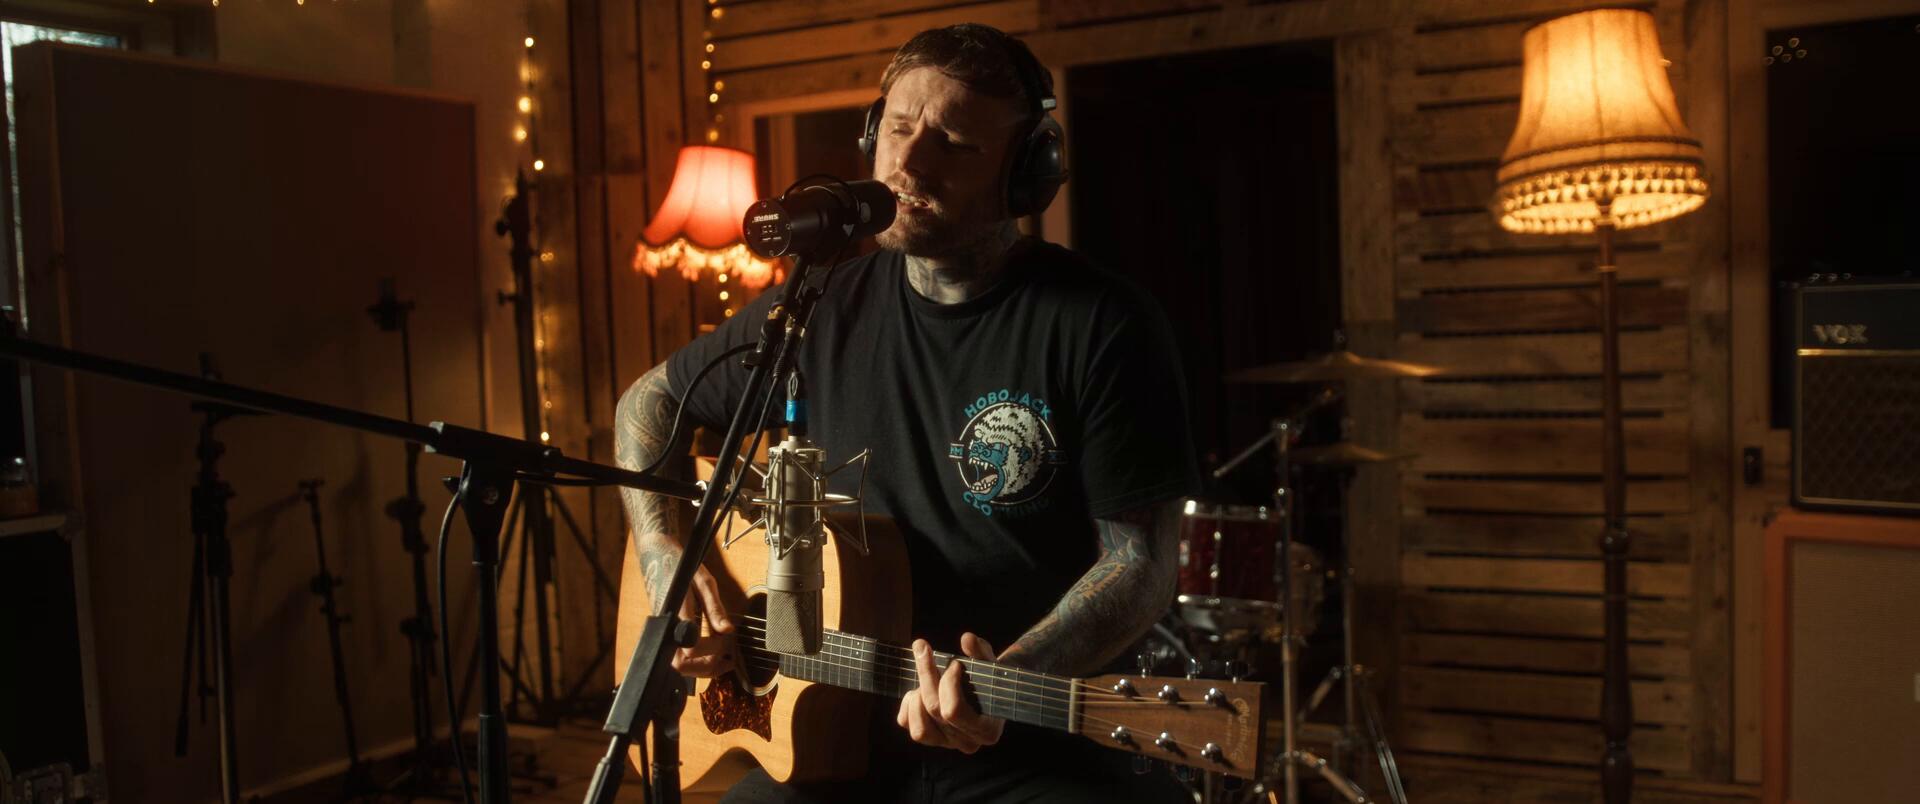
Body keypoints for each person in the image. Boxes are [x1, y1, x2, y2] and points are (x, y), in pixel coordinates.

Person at [615, 23, 1198, 803]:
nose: (909, 164)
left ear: (1024, 176)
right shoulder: (821, 304)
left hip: (1031, 749)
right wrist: (664, 556)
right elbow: (649, 401)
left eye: (953, 142)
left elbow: (1141, 564)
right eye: (897, 128)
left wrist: (1006, 679)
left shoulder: (1102, 324)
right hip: (829, 739)